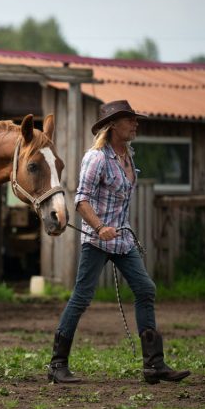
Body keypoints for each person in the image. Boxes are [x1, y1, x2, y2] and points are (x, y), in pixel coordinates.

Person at [48, 100, 190, 385]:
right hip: (98, 240)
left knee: (145, 289)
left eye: (135, 120)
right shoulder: (97, 157)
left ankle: (153, 365)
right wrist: (99, 227)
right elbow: (80, 200)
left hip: (123, 240)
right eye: (130, 120)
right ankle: (57, 364)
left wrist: (114, 229)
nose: (135, 124)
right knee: (82, 297)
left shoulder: (128, 155)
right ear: (113, 124)